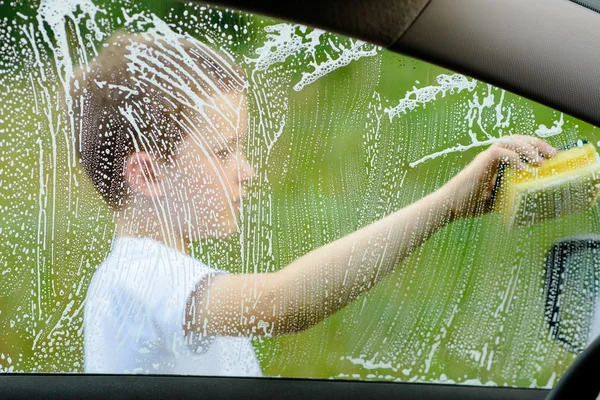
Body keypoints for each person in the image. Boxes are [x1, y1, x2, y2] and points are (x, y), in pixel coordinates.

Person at [73, 31, 558, 376]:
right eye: (224, 151)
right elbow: (279, 304)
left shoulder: (152, 273)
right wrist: (447, 205)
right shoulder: (140, 280)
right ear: (148, 173)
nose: (248, 170)